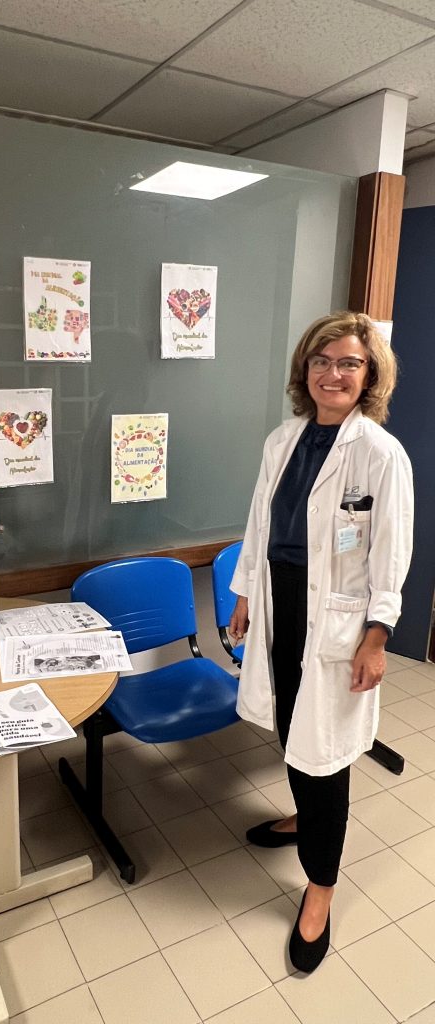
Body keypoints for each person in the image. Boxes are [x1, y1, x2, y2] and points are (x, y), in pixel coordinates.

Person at [229, 311, 413, 973]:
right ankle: (304, 818)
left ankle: (320, 889)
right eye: (321, 360)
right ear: (304, 370)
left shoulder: (381, 454)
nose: (332, 374)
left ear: (369, 375)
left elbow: (391, 555)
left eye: (349, 363)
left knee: (326, 754)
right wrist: (245, 594)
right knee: (291, 727)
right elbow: (260, 522)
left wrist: (377, 637)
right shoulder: (283, 439)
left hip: (338, 619)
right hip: (281, 602)